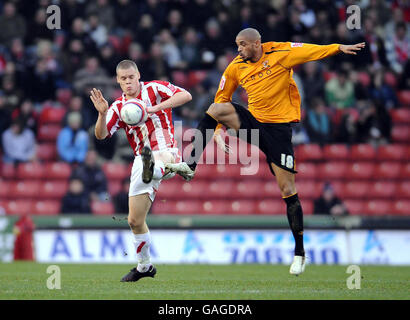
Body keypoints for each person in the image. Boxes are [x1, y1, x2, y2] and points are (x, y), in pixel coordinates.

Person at [167, 28, 364, 275]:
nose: (238, 49)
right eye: (237, 45)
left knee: (288, 190)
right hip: (253, 124)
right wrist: (217, 131)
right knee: (216, 108)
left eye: (242, 45)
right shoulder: (235, 66)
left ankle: (300, 253)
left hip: (279, 131)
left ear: (256, 43)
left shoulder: (280, 52)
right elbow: (222, 97)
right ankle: (190, 164)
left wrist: (337, 47)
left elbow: (309, 52)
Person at [90, 59, 191, 282]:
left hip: (165, 148)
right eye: (123, 79)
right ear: (118, 81)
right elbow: (101, 135)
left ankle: (169, 166)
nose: (128, 82)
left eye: (131, 78)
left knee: (160, 158)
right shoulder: (118, 107)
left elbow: (186, 95)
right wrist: (101, 114)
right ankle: (144, 266)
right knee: (134, 220)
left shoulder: (154, 88)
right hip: (141, 158)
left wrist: (154, 108)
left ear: (138, 76)